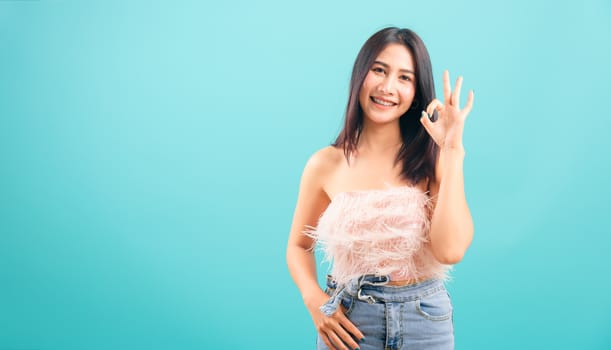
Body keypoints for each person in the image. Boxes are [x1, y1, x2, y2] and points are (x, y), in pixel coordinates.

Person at [286, 27, 474, 350]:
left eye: (405, 78)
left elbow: (450, 251)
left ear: (417, 91)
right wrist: (314, 300)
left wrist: (453, 151)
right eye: (379, 70)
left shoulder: (432, 159)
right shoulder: (325, 164)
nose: (387, 87)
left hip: (425, 323)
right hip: (350, 323)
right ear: (361, 74)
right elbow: (298, 245)